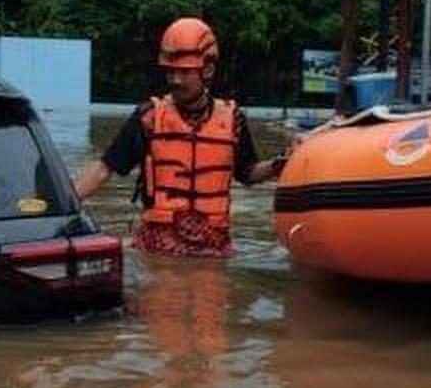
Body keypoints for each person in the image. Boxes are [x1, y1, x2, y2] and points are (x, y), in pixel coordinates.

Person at [74, 17, 286, 258]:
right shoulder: (148, 118)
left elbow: (248, 173)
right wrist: (63, 203)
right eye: (171, 71)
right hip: (158, 248)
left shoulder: (233, 120)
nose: (176, 80)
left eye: (185, 72)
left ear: (208, 70)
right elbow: (103, 170)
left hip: (213, 250)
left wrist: (277, 164)